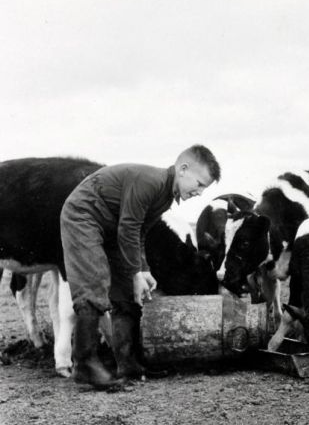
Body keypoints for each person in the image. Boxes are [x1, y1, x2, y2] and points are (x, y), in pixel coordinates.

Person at [60, 145, 221, 390]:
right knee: (94, 281)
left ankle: (128, 364)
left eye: (204, 189)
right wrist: (137, 272)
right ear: (183, 169)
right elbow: (129, 227)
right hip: (84, 216)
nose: (199, 192)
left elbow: (141, 232)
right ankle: (85, 363)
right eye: (198, 184)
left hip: (110, 226)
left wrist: (142, 270)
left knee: (126, 291)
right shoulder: (150, 182)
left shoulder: (166, 196)